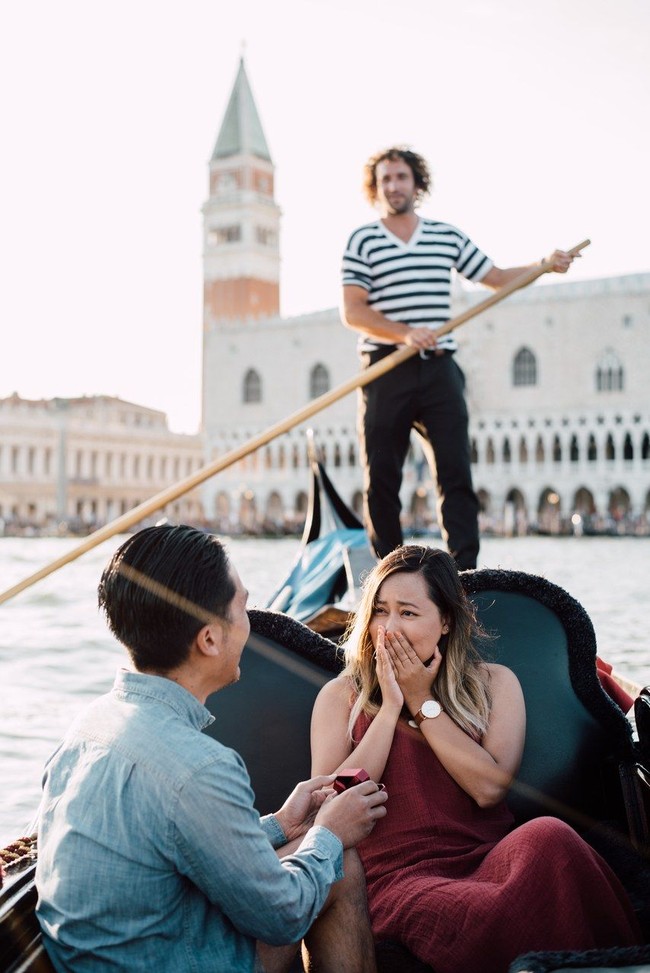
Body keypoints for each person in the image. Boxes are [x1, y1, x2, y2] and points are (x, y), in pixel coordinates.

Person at [36, 524, 387, 973]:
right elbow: (283, 917)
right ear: (209, 639)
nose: (248, 619)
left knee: (312, 845)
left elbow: (176, 842)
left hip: (118, 953)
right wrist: (331, 833)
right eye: (242, 605)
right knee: (339, 863)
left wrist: (282, 824)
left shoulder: (86, 726)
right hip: (168, 960)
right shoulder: (202, 768)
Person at [310, 545, 642, 973]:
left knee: (550, 836)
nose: (389, 628)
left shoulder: (496, 684)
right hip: (396, 878)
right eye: (380, 611)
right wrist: (391, 707)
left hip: (487, 857)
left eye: (408, 613)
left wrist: (421, 701)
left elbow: (489, 790)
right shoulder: (339, 697)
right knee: (465, 908)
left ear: (445, 621)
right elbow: (332, 803)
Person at [341, 146, 578, 568]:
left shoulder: (445, 235)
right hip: (384, 367)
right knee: (381, 479)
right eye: (386, 180)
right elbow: (353, 311)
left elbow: (498, 278)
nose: (394, 186)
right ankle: (387, 574)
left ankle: (464, 575)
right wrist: (403, 333)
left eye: (401, 177)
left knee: (455, 474)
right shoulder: (363, 240)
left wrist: (544, 265)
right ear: (377, 189)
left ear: (416, 183)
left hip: (438, 368)